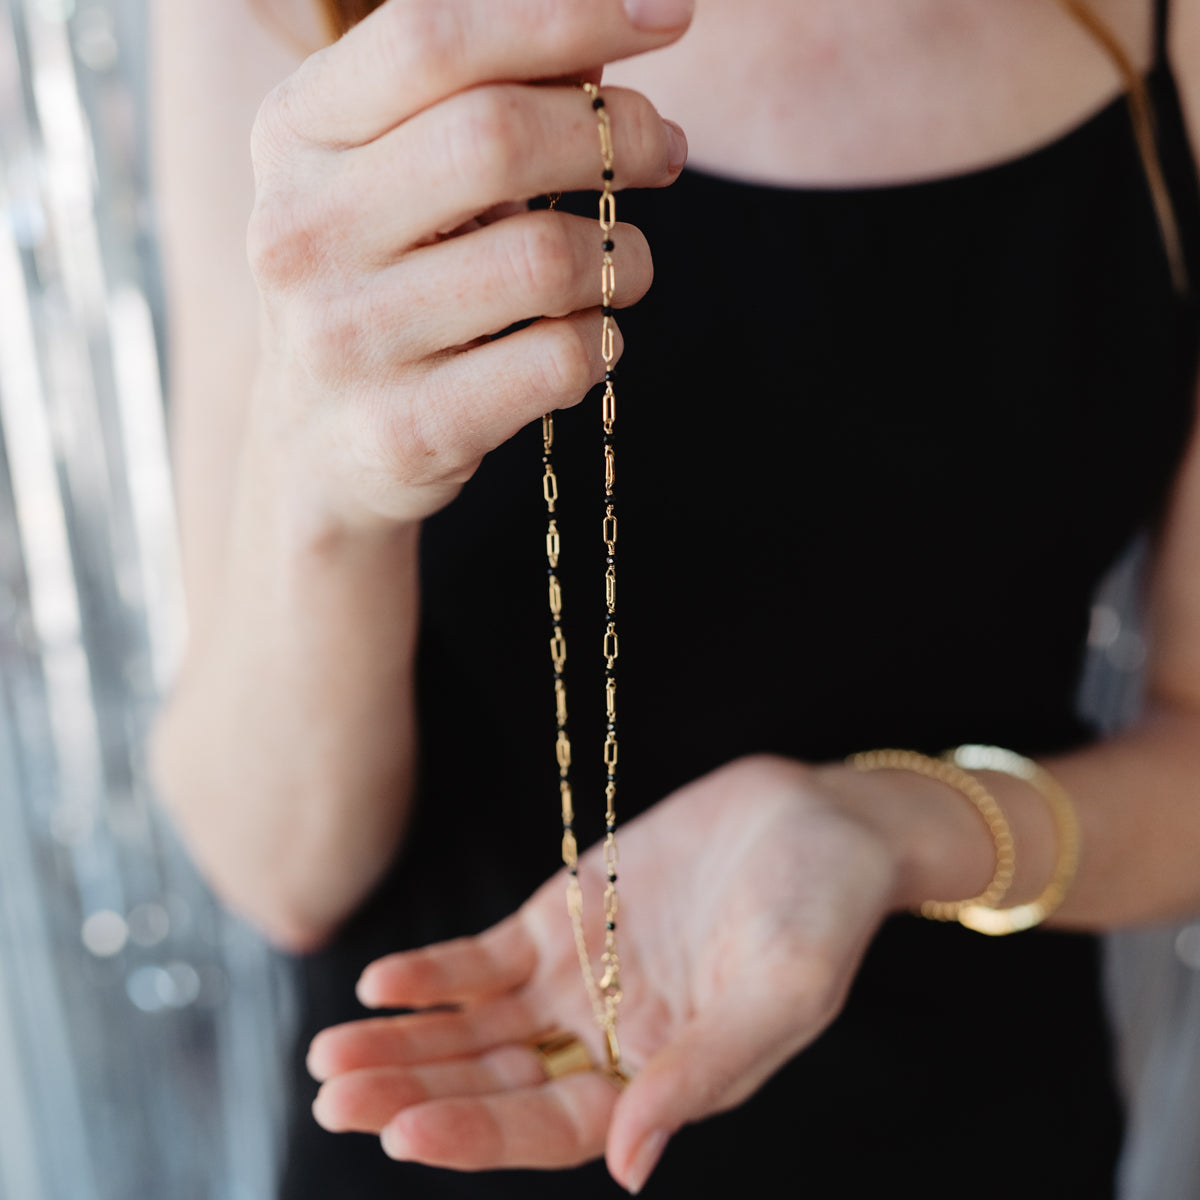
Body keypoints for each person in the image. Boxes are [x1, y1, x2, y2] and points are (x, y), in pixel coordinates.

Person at [151, 0, 1200, 1195]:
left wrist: (892, 830)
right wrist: (321, 485)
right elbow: (280, 867)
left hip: (973, 1141)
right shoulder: (289, 17)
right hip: (443, 1106)